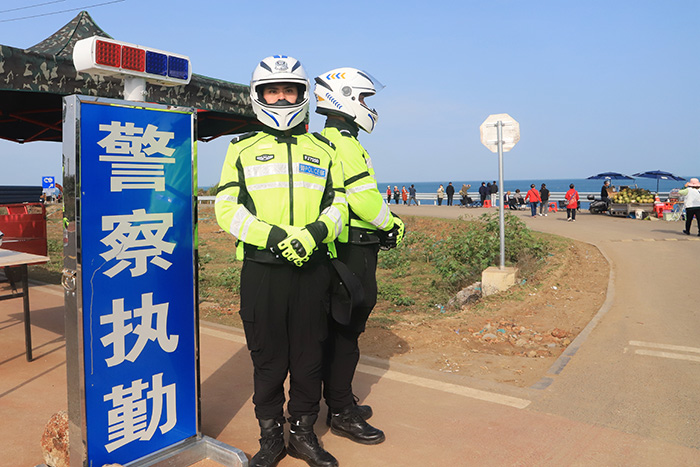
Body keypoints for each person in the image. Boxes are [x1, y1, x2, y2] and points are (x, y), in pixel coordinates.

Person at [215, 55, 347, 467]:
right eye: (272, 91)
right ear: (259, 95)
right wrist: (272, 237)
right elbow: (226, 207)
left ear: (302, 94)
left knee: (310, 356)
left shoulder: (323, 149)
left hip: (312, 268)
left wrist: (313, 234)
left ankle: (303, 435)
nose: (282, 97)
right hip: (262, 270)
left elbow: (339, 204)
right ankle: (270, 436)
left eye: (289, 90)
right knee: (268, 358)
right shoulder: (240, 149)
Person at [315, 67, 404, 446]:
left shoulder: (323, 139)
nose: (368, 106)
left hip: (333, 248)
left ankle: (337, 399)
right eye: (365, 98)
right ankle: (340, 411)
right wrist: (393, 224)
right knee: (347, 332)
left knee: (332, 330)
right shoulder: (346, 144)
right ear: (347, 98)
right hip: (353, 247)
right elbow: (364, 199)